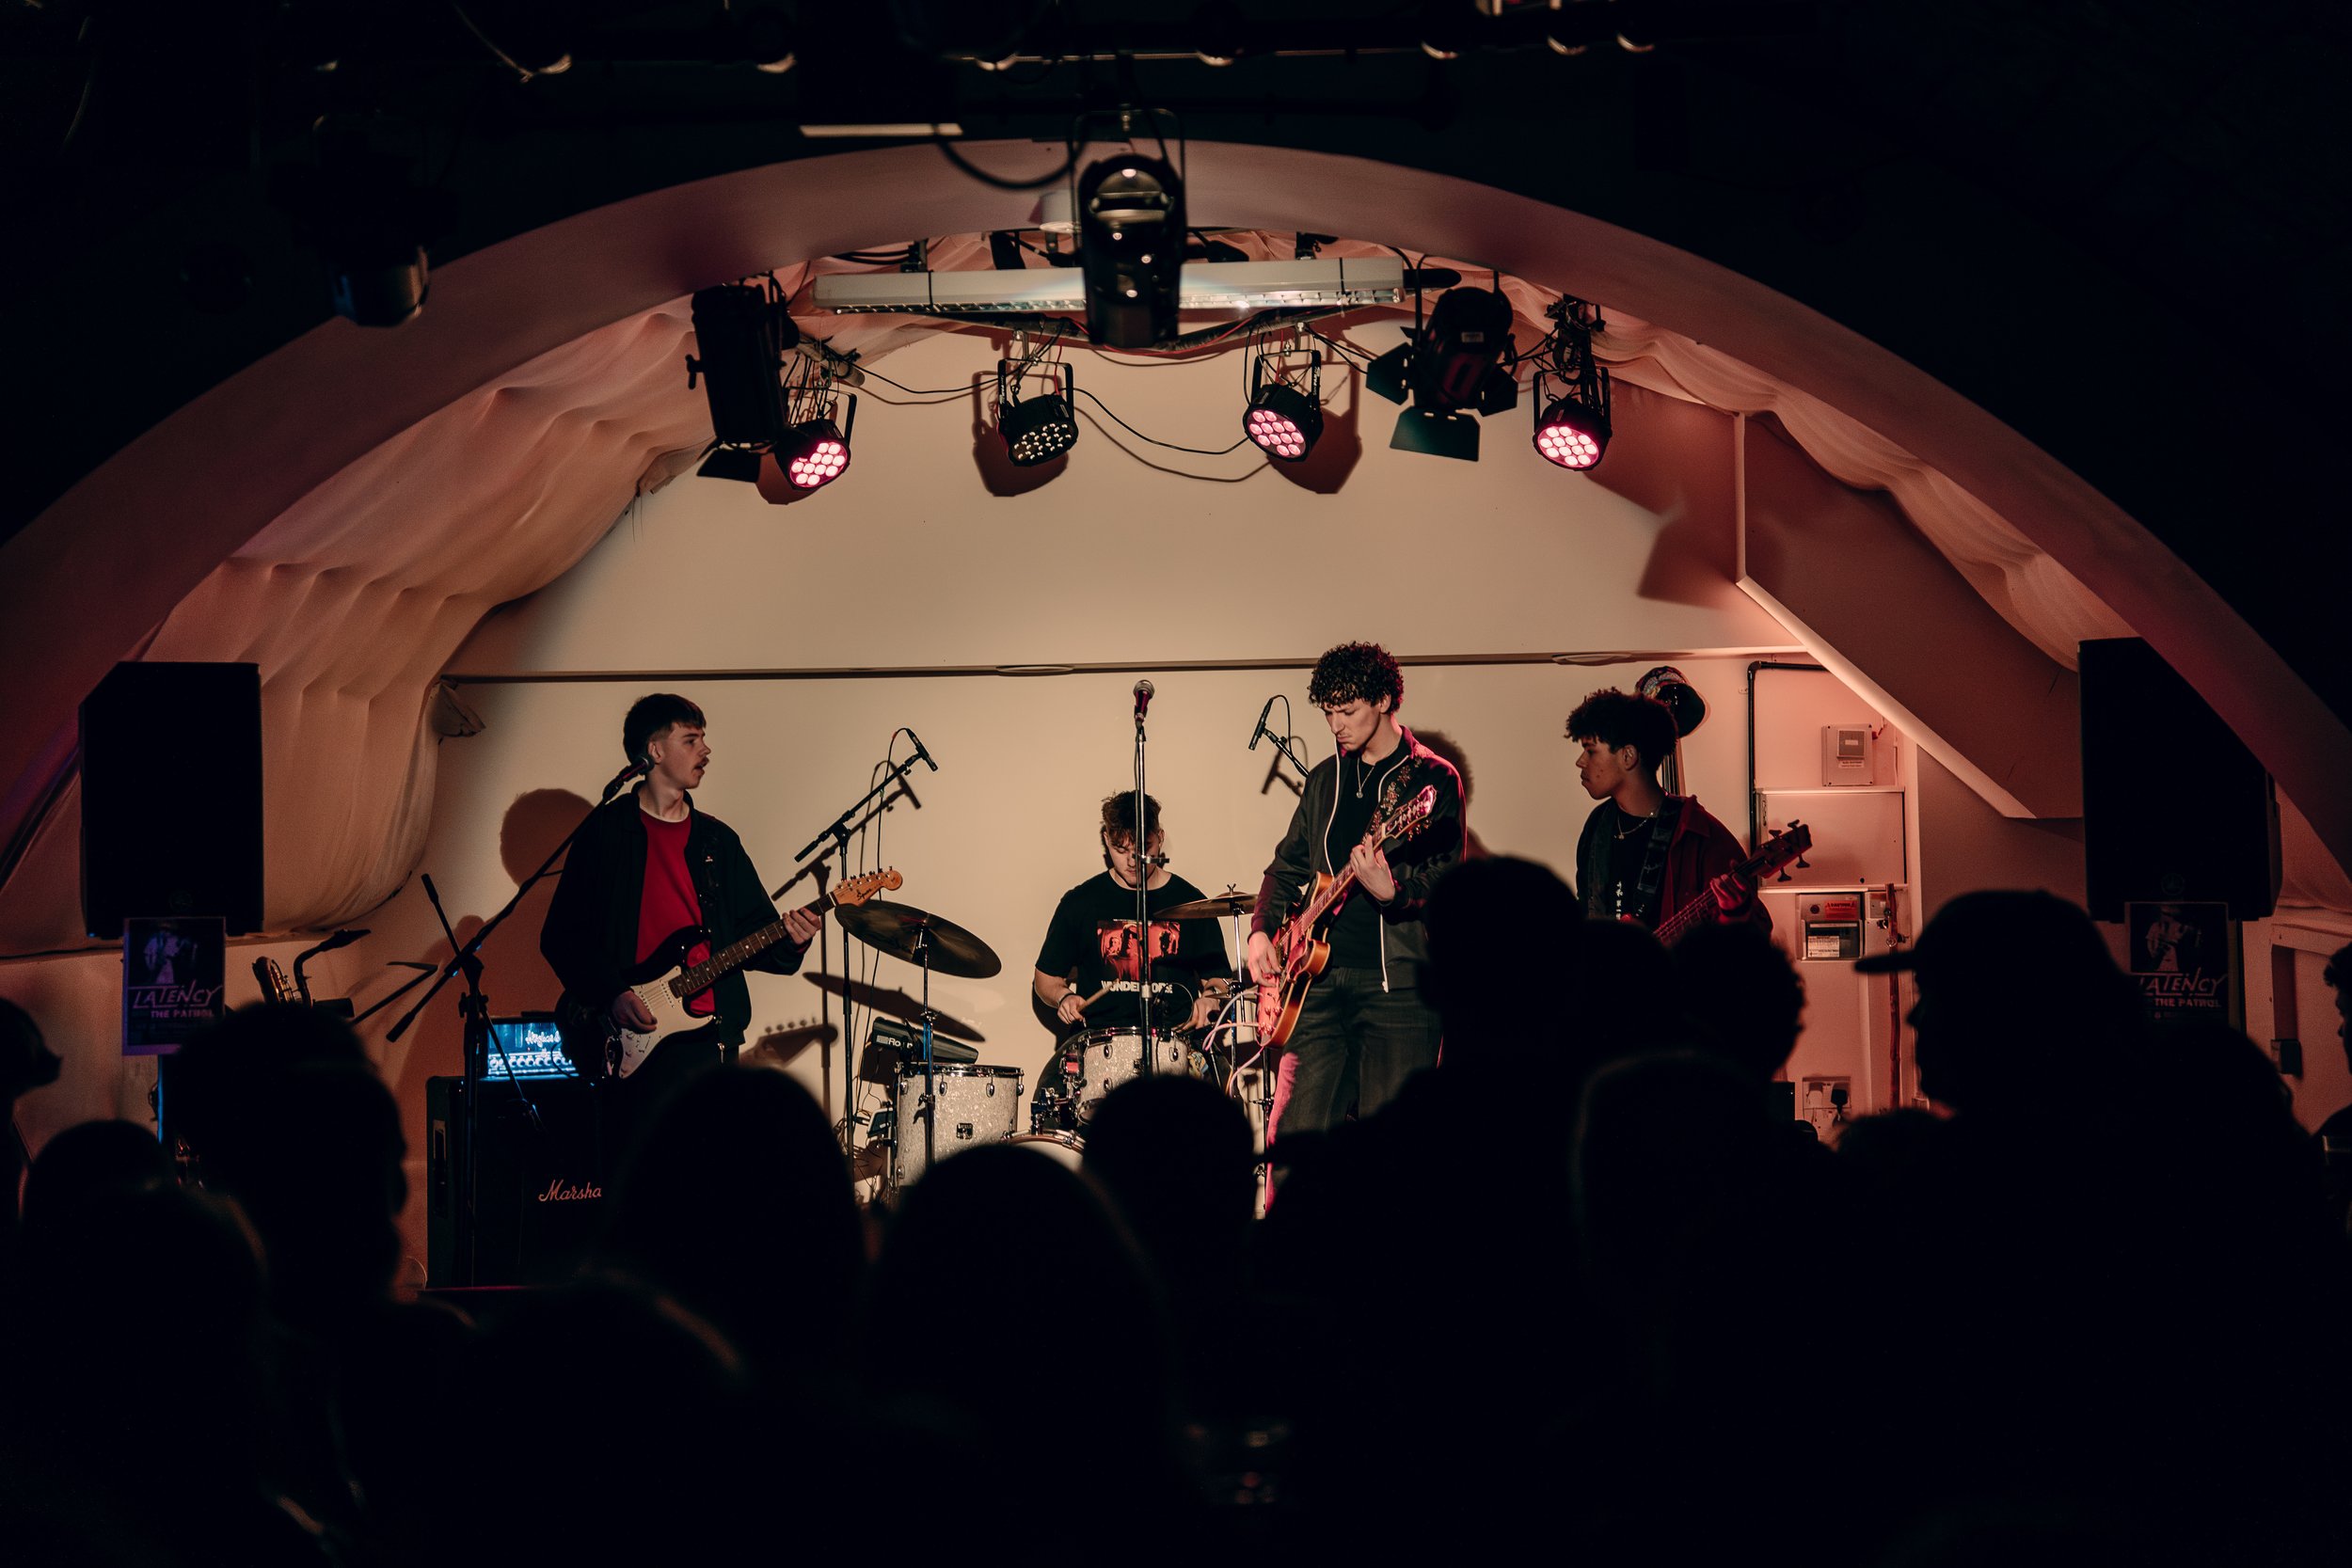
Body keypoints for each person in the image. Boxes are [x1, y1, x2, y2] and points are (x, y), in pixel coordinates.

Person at [540, 694, 818, 1151]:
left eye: (703, 739)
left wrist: (795, 940)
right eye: (691, 740)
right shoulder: (606, 832)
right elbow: (561, 935)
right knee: (636, 1188)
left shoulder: (717, 840)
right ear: (653, 751)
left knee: (705, 1185)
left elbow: (758, 935)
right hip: (631, 1035)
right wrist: (612, 993)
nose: (705, 751)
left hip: (707, 1040)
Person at [1247, 641, 1465, 1142]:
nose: (1335, 725)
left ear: (1385, 700)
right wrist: (1261, 932)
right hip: (1314, 987)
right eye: (1328, 712)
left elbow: (1447, 882)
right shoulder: (1325, 778)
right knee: (1293, 1139)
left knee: (1393, 1148)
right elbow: (1285, 866)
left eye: (1348, 711)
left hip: (1399, 992)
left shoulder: (1431, 780)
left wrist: (1395, 892)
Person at [1032, 794, 1231, 1110]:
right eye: (1120, 850)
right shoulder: (1081, 902)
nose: (1131, 861)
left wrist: (1210, 998)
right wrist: (1063, 997)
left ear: (1159, 839)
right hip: (1098, 1042)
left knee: (1222, 1098)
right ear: (1106, 840)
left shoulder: (1192, 902)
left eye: (1143, 850)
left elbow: (1219, 981)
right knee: (1049, 1098)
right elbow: (1045, 979)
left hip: (1178, 1041)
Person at [1566, 686, 1760, 935]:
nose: (1580, 761)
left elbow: (1751, 940)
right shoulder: (1598, 823)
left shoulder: (1700, 834)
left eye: (1591, 750)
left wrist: (1735, 912)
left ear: (1628, 756)